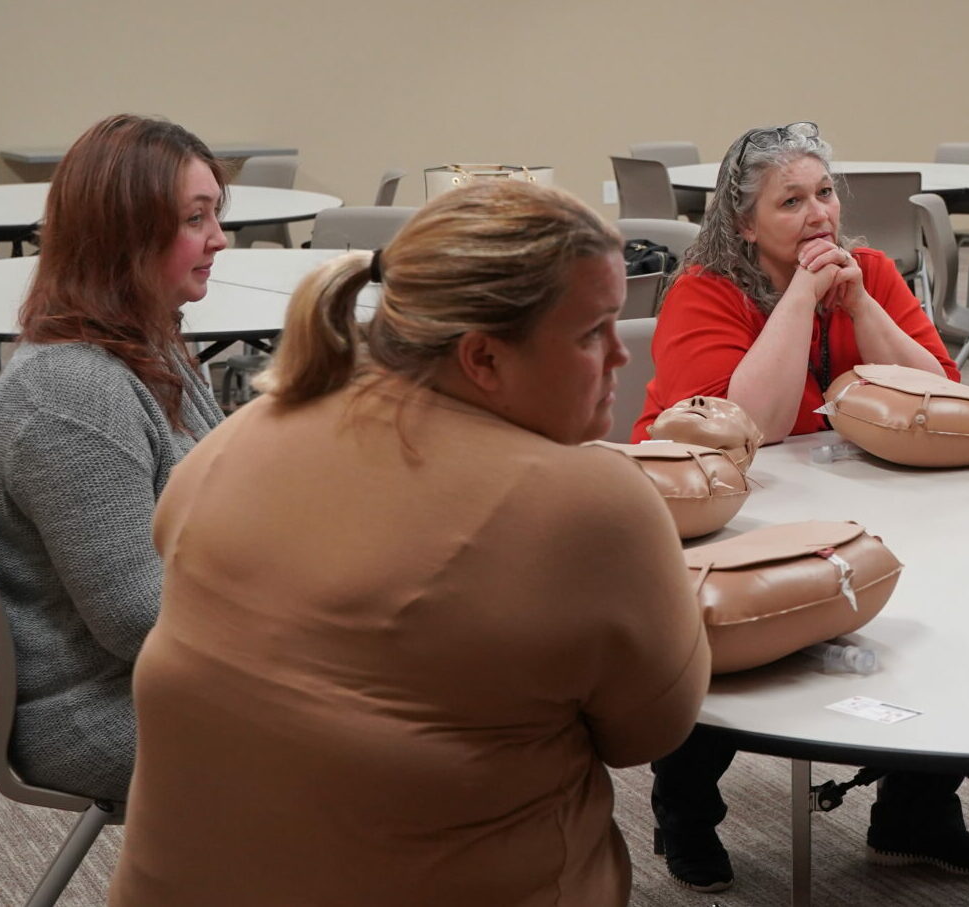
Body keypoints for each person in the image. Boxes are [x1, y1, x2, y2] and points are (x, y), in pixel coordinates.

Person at [109, 180, 710, 906]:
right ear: (483, 358)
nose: (620, 356)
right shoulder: (591, 504)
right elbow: (648, 731)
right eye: (591, 332)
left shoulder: (244, 431)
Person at [637, 122, 969, 891]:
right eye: (791, 201)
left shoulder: (867, 268)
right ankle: (684, 810)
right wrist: (802, 298)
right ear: (743, 222)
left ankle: (914, 814)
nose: (818, 215)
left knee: (952, 608)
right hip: (717, 507)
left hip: (852, 491)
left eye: (825, 193)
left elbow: (951, 398)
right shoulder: (704, 289)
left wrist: (861, 305)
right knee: (731, 638)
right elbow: (753, 427)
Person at [0, 114, 229, 803]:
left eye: (216, 214)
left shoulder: (156, 341)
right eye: (195, 219)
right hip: (95, 707)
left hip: (169, 674)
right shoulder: (71, 388)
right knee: (387, 735)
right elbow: (137, 619)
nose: (219, 238)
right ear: (125, 235)